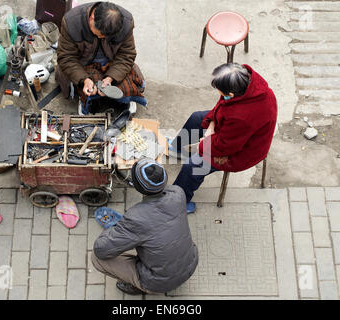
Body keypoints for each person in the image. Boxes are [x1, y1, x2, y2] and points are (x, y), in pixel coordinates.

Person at [170, 63, 278, 214]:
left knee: (193, 165)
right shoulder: (246, 84)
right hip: (232, 131)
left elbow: (226, 146)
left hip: (242, 151)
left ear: (231, 94)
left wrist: (203, 144)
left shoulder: (243, 117)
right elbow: (221, 107)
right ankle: (176, 148)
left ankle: (178, 203)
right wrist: (211, 127)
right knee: (197, 118)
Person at [91, 158, 199, 295]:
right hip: (191, 263)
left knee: (97, 258)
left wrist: (117, 229)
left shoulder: (135, 217)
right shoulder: (178, 193)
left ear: (137, 187)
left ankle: (141, 286)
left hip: (159, 282)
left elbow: (101, 249)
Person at [56, 1, 146, 115]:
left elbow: (126, 55)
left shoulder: (126, 22)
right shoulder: (71, 22)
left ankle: (127, 100)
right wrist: (85, 79)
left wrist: (110, 78)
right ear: (91, 19)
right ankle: (84, 96)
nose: (101, 37)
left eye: (105, 36)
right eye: (99, 34)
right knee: (89, 90)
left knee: (129, 86)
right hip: (84, 64)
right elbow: (66, 57)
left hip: (112, 62)